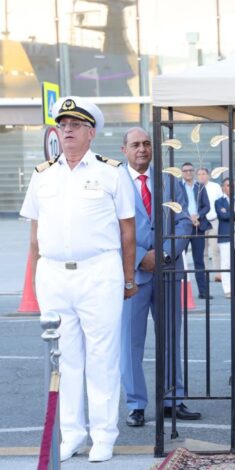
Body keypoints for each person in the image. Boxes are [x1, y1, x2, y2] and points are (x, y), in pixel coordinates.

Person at [20, 96, 136, 462]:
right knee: (65, 358)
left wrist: (128, 279)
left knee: (102, 356)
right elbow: (35, 235)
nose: (67, 131)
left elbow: (127, 230)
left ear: (91, 132)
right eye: (63, 125)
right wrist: (36, 280)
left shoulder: (111, 172)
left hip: (99, 272)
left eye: (75, 125)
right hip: (54, 274)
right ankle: (71, 433)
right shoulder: (42, 175)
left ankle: (103, 434)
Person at [119, 127, 202, 429]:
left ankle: (172, 400)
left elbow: (184, 222)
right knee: (131, 343)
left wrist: (165, 253)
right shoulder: (114, 182)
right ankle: (136, 404)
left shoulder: (169, 181)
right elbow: (107, 226)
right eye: (135, 144)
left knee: (170, 338)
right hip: (132, 274)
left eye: (146, 144)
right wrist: (141, 255)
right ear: (124, 150)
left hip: (167, 271)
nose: (142, 149)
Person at [181, 162, 212, 299]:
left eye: (190, 170)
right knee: (180, 260)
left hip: (198, 227)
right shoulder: (177, 186)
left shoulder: (200, 186)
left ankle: (203, 292)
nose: (188, 172)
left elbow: (207, 206)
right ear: (182, 173)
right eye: (185, 170)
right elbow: (176, 206)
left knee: (199, 260)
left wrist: (198, 215)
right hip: (183, 227)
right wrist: (189, 217)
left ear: (193, 172)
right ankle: (180, 292)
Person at [197, 167, 224, 282]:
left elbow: (221, 201)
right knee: (202, 250)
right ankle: (204, 274)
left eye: (203, 174)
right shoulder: (196, 187)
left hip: (214, 221)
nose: (202, 176)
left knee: (215, 249)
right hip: (201, 222)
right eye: (199, 174)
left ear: (208, 175)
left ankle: (218, 274)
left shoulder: (215, 187)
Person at [215, 178, 235, 298]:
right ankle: (228, 289)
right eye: (228, 185)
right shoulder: (219, 201)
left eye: (232, 185)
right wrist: (234, 213)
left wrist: (228, 212)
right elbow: (222, 216)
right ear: (223, 187)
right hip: (225, 235)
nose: (230, 187)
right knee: (226, 263)